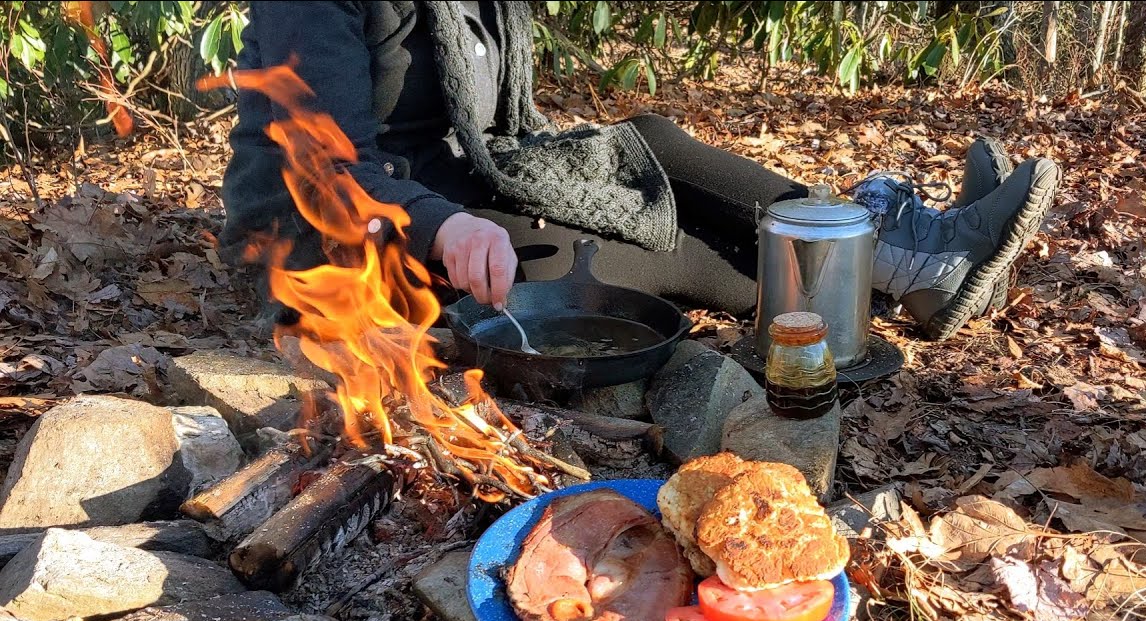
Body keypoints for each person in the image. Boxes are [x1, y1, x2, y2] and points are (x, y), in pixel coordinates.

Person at [220, 1, 1059, 341]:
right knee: (611, 256)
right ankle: (880, 280)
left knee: (647, 141)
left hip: (460, 184)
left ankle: (898, 250)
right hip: (335, 234)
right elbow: (320, 165)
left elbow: (500, 126)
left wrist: (554, 164)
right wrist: (447, 225)